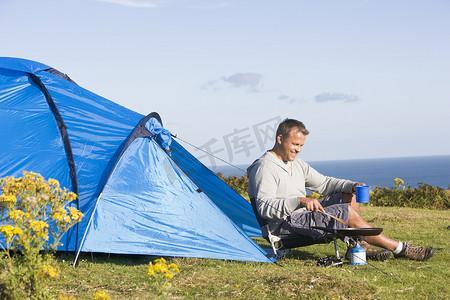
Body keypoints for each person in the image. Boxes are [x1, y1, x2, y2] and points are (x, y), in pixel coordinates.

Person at [247, 118, 435, 261]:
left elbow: (324, 183)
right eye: (295, 144)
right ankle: (401, 249)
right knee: (345, 212)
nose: (298, 150)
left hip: (302, 215)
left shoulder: (297, 164)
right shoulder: (264, 167)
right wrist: (299, 200)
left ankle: (357, 244)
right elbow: (265, 208)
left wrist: (351, 186)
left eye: (301, 145)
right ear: (280, 139)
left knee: (348, 195)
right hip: (283, 225)